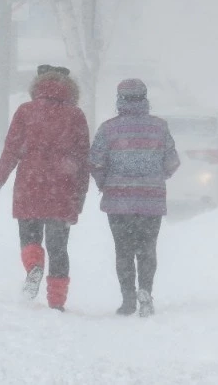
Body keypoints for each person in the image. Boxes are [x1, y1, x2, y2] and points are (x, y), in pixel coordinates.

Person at [0, 69, 90, 311]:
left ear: (37, 86)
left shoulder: (26, 111)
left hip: (30, 184)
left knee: (29, 237)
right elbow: (83, 158)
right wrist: (81, 193)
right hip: (63, 187)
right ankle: (56, 301)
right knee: (58, 248)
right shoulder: (75, 115)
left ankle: (34, 267)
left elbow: (11, 150)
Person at [89, 79, 180, 317]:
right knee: (148, 249)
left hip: (118, 200)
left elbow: (96, 163)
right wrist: (158, 177)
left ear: (119, 99)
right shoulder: (159, 127)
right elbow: (172, 162)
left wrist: (105, 183)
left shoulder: (108, 129)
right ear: (144, 97)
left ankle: (128, 300)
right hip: (151, 198)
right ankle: (146, 292)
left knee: (123, 250)